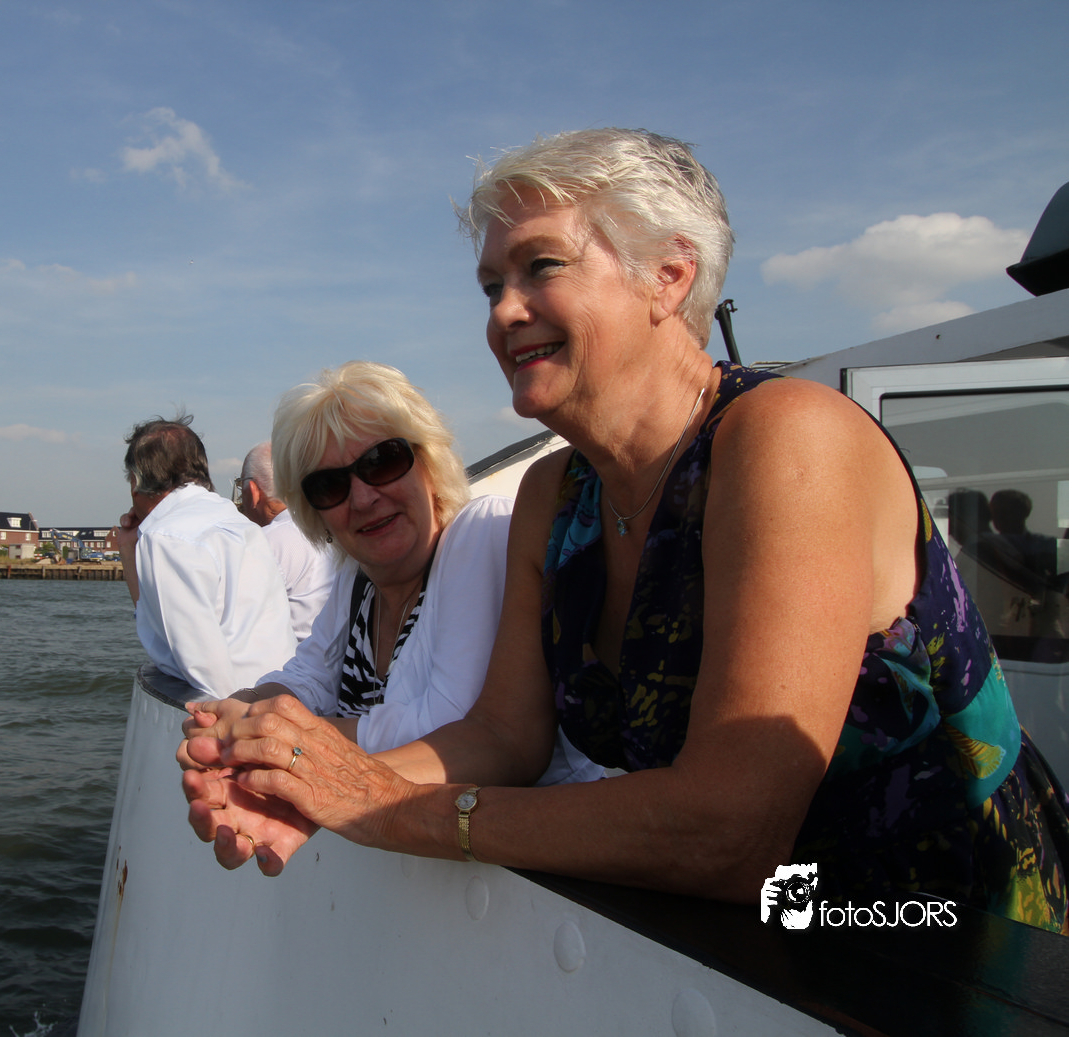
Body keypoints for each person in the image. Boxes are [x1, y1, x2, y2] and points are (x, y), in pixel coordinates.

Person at [182, 129, 1069, 932]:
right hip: (766, 955)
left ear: (668, 275)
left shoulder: (787, 439)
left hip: (966, 947)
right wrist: (300, 775)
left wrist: (383, 806)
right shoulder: (553, 494)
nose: (501, 312)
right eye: (491, 286)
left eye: (540, 267)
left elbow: (727, 829)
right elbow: (502, 737)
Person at [184, 362, 599, 784]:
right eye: (329, 485)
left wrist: (273, 737)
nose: (363, 498)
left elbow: (446, 726)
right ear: (315, 512)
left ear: (430, 463)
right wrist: (240, 709)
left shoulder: (479, 534)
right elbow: (308, 678)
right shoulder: (358, 579)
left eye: (382, 462)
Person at [116, 415, 297, 697]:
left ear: (136, 482)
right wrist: (130, 548)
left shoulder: (165, 536)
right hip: (285, 693)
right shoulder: (239, 523)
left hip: (242, 707)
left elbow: (203, 668)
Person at [235, 442, 338, 642]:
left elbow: (236, 622)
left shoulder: (264, 542)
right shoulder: (335, 528)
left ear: (253, 491)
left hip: (293, 657)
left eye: (241, 485)